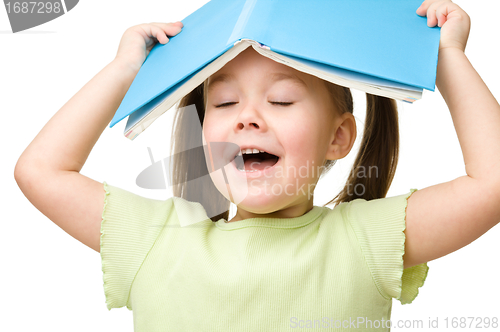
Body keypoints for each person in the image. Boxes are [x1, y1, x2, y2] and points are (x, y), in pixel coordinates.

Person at [13, 0, 500, 331]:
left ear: (338, 137)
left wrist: (449, 56)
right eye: (223, 103)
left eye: (281, 100)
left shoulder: (364, 240)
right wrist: (125, 69)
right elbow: (40, 171)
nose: (247, 117)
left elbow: (491, 184)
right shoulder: (156, 239)